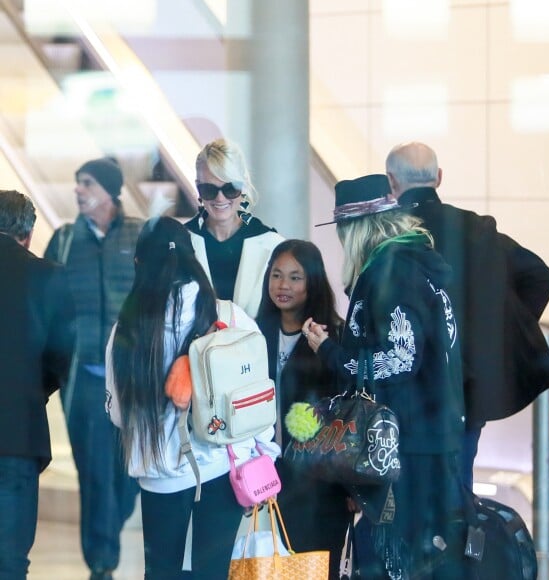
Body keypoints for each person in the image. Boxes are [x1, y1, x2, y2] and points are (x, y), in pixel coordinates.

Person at [306, 174, 467, 578]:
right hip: (431, 434)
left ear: (354, 229)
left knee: (396, 556)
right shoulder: (417, 265)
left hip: (408, 442)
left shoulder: (392, 274)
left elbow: (398, 359)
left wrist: (330, 352)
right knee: (422, 553)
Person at [105, 216, 279, 579]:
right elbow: (258, 398)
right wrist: (264, 453)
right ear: (192, 258)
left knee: (162, 572)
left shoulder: (129, 329)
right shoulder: (230, 316)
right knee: (213, 573)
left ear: (139, 263)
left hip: (159, 471)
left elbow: (120, 416)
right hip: (224, 465)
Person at [385, 142, 549, 491]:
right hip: (466, 385)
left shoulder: (388, 236)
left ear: (391, 182)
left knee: (405, 493)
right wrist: (498, 329)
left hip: (407, 388)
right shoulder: (477, 230)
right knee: (457, 487)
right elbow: (541, 276)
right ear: (438, 177)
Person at [43, 158, 143, 580]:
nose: (79, 190)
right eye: (77, 183)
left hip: (133, 381)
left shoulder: (140, 235)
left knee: (129, 476)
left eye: (86, 183)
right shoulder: (65, 240)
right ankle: (100, 563)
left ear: (109, 190)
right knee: (93, 472)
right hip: (83, 381)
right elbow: (45, 301)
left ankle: (111, 530)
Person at [256, 239, 350, 579]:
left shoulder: (333, 338)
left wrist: (350, 487)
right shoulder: (254, 334)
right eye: (277, 275)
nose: (283, 286)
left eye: (295, 277)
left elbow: (347, 412)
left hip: (319, 483)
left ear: (312, 281)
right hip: (266, 477)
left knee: (314, 570)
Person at [0, 190, 76, 579]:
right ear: (28, 234)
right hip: (17, 434)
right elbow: (63, 358)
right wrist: (33, 390)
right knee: (10, 558)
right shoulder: (50, 277)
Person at [185, 138, 285, 318]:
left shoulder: (273, 246)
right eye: (209, 189)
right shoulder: (180, 242)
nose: (220, 198)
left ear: (244, 185)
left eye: (230, 188)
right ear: (198, 188)